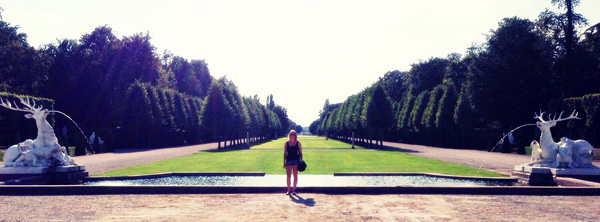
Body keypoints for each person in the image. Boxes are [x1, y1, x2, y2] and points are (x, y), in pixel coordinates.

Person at [283, 130, 303, 195]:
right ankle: (288, 190)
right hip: (288, 160)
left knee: (295, 176)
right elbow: (284, 153)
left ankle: (294, 190)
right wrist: (284, 163)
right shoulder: (286, 143)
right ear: (289, 134)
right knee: (288, 176)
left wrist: (301, 161)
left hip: (296, 160)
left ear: (295, 135)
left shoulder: (298, 143)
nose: (293, 135)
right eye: (291, 134)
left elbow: (300, 153)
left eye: (294, 134)